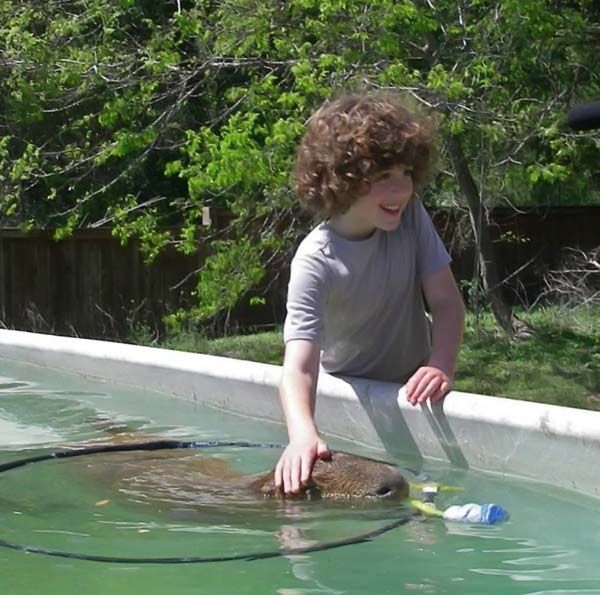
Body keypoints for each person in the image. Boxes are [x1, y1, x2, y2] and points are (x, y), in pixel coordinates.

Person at [275, 92, 465, 495]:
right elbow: (299, 366)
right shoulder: (315, 260)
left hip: (414, 383)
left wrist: (442, 364)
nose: (401, 190)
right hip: (350, 393)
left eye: (406, 173)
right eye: (382, 178)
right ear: (341, 180)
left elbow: (446, 301)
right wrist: (303, 434)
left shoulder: (411, 216)